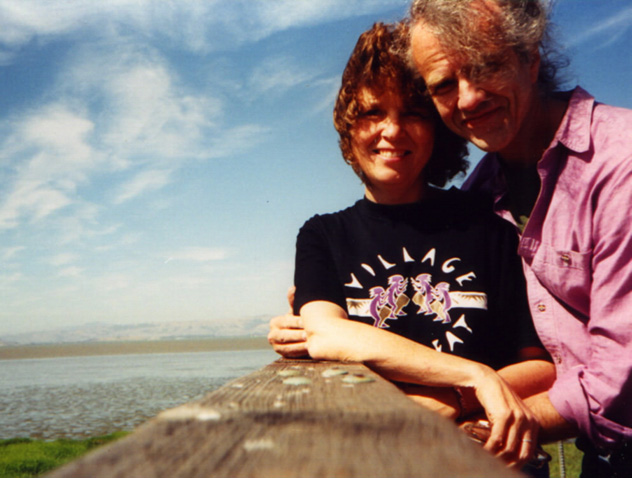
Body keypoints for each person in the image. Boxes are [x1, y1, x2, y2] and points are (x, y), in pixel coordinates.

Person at [268, 22, 555, 470]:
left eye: (413, 114)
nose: (392, 131)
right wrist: (471, 377)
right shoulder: (323, 235)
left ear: (437, 129)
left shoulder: (489, 230)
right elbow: (326, 332)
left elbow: (540, 364)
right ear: (348, 131)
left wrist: (453, 401)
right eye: (372, 113)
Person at [406, 1, 632, 476]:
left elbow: (619, 379)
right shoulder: (482, 193)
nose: (467, 99)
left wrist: (478, 422)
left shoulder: (620, 163)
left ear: (531, 58)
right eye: (444, 84)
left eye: (486, 65)